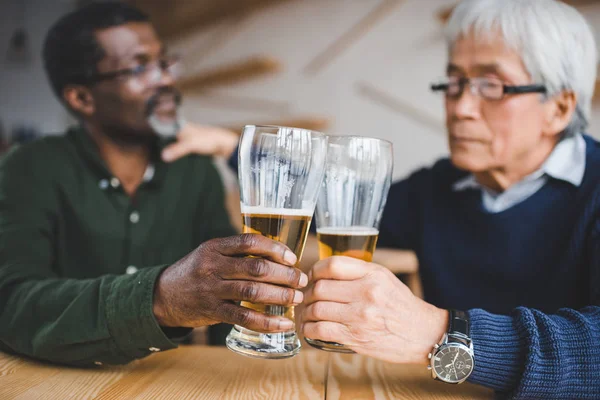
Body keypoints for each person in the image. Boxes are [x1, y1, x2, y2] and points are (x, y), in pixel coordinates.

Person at [299, 0, 600, 398]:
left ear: (559, 109)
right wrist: (244, 150)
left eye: (491, 86)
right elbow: (325, 209)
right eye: (454, 82)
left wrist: (439, 334)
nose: (460, 108)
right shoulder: (437, 188)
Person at [0, 1, 308, 367]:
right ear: (82, 98)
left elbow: (228, 300)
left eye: (163, 62)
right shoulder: (30, 166)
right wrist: (158, 299)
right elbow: (11, 302)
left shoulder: (194, 170)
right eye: (140, 66)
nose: (165, 79)